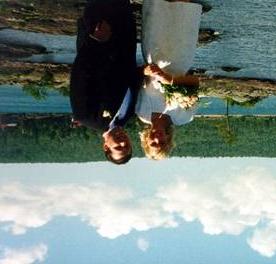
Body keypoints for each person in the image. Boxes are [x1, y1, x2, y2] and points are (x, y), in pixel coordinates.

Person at [70, 0, 139, 165]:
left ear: (106, 147)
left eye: (119, 147)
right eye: (127, 145)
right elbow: (129, 76)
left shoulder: (86, 116)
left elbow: (80, 74)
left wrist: (96, 41)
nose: (123, 142)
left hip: (99, 33)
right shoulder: (128, 115)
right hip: (124, 31)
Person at [136, 0, 203, 160]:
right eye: (162, 143)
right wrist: (167, 79)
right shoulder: (183, 117)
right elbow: (195, 82)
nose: (157, 139)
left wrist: (146, 70)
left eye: (153, 144)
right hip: (180, 53)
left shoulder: (141, 112)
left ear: (146, 141)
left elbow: (138, 77)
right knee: (183, 6)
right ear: (168, 141)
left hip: (153, 49)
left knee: (158, 6)